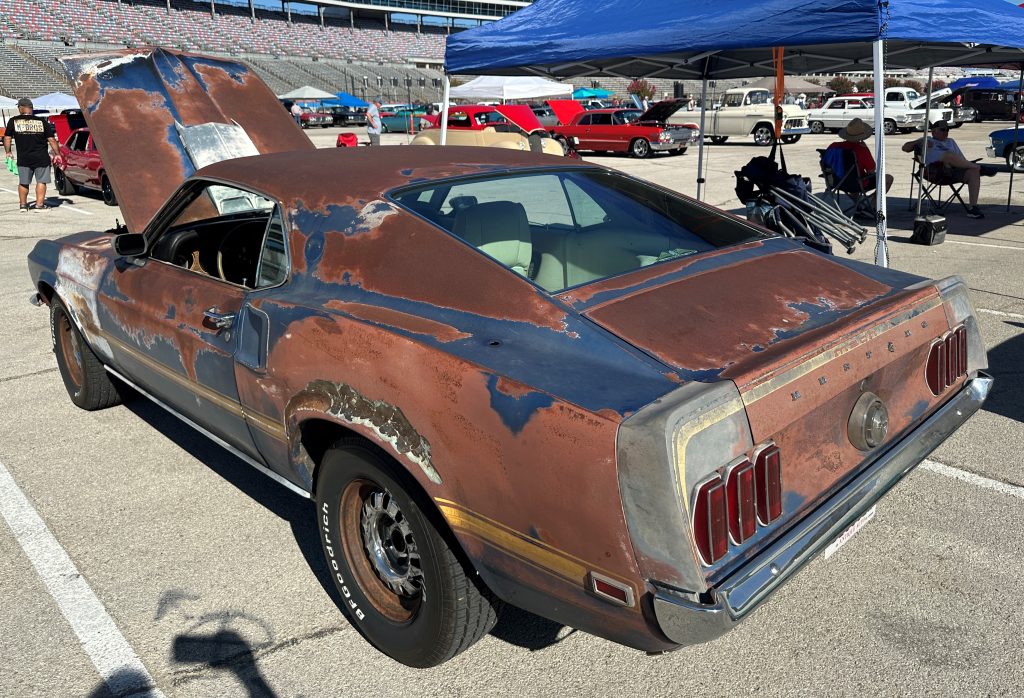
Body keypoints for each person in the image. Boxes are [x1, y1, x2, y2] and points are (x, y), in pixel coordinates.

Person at [902, 119, 995, 219]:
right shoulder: (927, 140)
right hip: (934, 172)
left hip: (953, 172)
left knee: (973, 172)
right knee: (948, 156)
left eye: (947, 130)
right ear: (933, 131)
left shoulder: (951, 142)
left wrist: (968, 165)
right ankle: (980, 168)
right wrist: (920, 141)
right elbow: (905, 148)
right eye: (942, 130)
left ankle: (973, 208)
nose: (946, 132)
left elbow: (962, 160)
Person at [4, 98, 61, 212]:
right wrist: (57, 153)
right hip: (41, 157)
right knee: (41, 181)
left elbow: (7, 138)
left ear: (21, 108)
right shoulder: (41, 121)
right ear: (31, 109)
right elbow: (52, 139)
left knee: (24, 182)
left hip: (24, 157)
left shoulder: (13, 121)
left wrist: (8, 152)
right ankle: (39, 205)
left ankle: (23, 205)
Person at [826, 117, 894, 210]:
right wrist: (866, 149)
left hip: (835, 182)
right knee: (888, 178)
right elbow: (871, 169)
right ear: (862, 136)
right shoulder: (861, 149)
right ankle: (872, 206)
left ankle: (859, 206)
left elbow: (826, 164)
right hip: (856, 183)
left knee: (852, 177)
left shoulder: (833, 146)